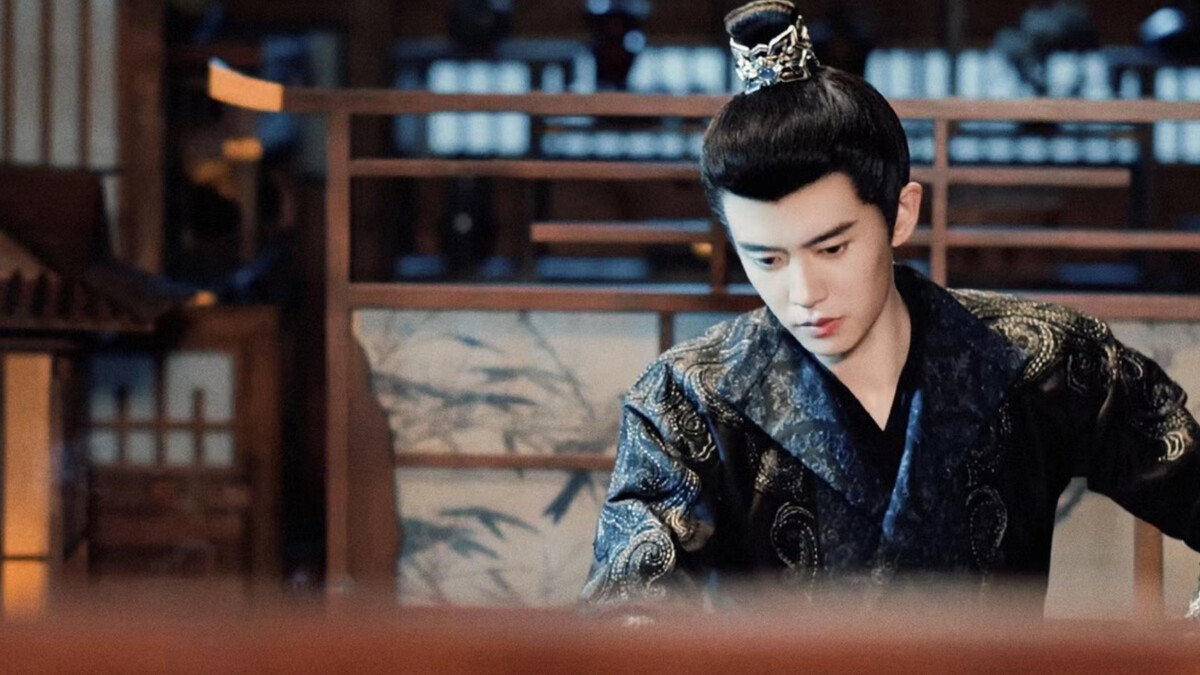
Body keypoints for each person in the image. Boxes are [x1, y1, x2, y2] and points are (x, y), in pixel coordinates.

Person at [581, 0, 1200, 614]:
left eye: (833, 248)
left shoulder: (1040, 357)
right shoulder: (689, 397)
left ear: (901, 214)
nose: (804, 292)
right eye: (766, 259)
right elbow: (624, 616)